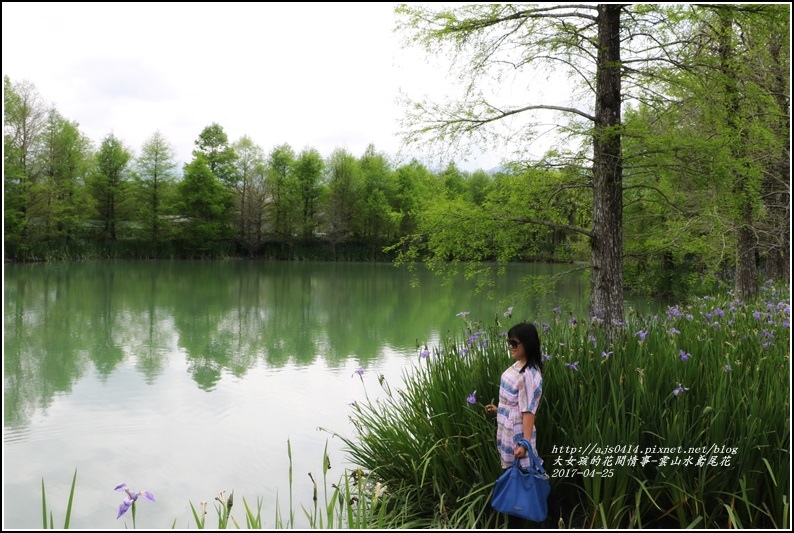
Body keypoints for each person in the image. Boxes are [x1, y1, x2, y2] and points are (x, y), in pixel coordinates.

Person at [485, 322, 545, 527]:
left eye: (514, 342)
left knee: (522, 476)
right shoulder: (519, 364)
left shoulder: (530, 374)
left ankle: (525, 517)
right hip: (507, 429)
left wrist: (525, 444)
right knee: (514, 475)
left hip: (518, 433)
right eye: (508, 341)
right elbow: (514, 402)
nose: (510, 346)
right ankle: (520, 516)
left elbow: (528, 411)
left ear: (527, 344)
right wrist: (499, 409)